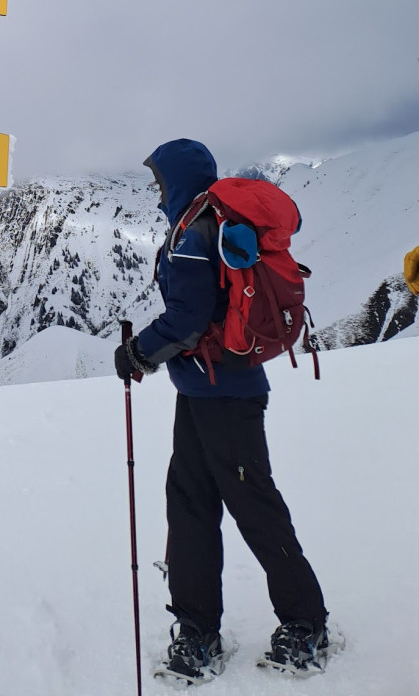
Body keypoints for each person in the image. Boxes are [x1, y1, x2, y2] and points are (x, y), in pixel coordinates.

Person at [113, 138, 332, 684]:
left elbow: (187, 320)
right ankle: (196, 628)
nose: (156, 191)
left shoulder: (194, 232)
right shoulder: (202, 220)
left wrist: (137, 353)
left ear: (178, 178)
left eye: (159, 180)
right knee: (190, 503)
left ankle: (304, 624)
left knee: (250, 505)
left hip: (226, 399)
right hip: (206, 391)